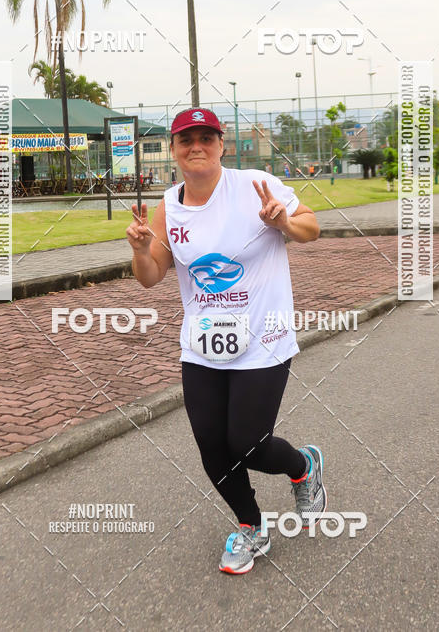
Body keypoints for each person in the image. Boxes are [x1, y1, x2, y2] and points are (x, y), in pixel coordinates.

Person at [126, 108, 327, 575]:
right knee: (212, 446)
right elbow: (151, 277)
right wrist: (139, 251)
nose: (196, 146)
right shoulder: (169, 205)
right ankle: (251, 528)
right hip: (202, 347)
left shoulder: (255, 184)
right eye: (185, 139)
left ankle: (303, 466)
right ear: (174, 149)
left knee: (249, 444)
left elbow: (312, 229)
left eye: (206, 137)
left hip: (264, 340)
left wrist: (283, 223)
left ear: (222, 144)